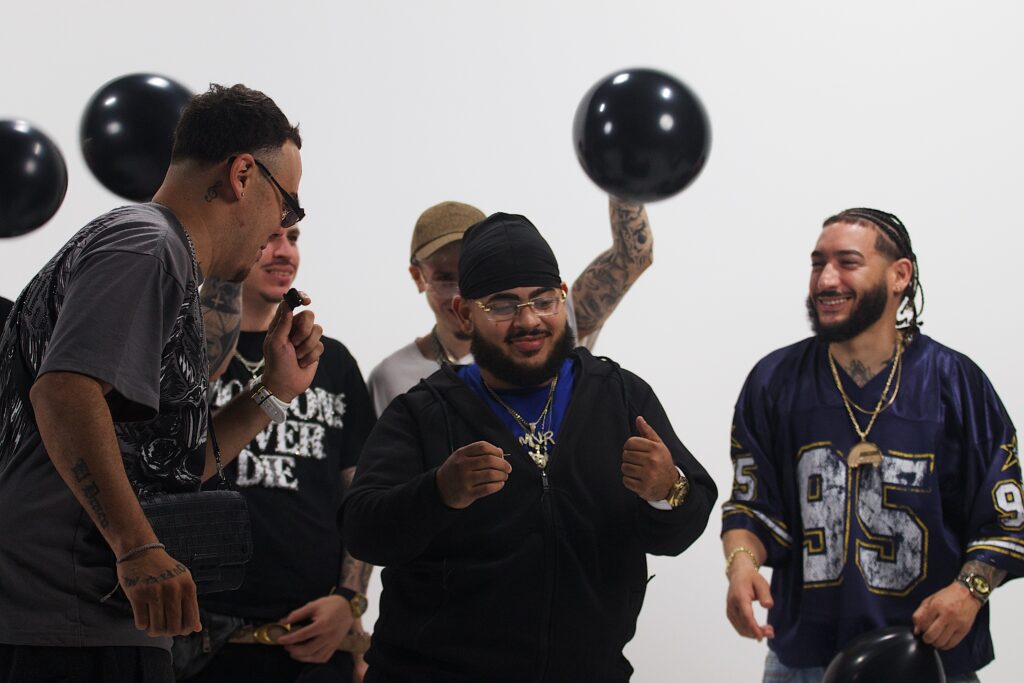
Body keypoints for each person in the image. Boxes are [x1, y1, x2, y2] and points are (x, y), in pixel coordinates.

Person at [0, 83, 325, 683]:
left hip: (89, 621)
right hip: (66, 626)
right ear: (242, 175)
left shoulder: (150, 250)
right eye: (288, 208)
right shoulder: (149, 246)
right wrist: (137, 546)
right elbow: (64, 391)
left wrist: (272, 391)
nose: (279, 230)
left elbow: (163, 464)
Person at [343, 212, 717, 682]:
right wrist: (438, 492)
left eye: (543, 300)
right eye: (502, 305)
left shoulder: (618, 395)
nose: (528, 320)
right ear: (465, 313)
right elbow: (362, 530)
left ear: (562, 296)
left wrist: (668, 488)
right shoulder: (423, 411)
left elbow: (682, 527)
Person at [721, 208, 1022, 681]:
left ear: (900, 275)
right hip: (805, 660)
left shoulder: (955, 382)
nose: (826, 279)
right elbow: (752, 506)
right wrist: (741, 566)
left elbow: (1007, 520)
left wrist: (970, 590)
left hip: (931, 659)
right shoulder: (774, 382)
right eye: (818, 263)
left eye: (847, 262)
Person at [177, 223, 377, 683]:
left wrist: (349, 602)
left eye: (294, 238)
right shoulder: (183, 356)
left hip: (314, 647)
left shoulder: (332, 362)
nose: (285, 252)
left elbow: (360, 494)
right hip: (201, 649)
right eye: (269, 237)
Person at [366, 197, 654, 416]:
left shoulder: (545, 321)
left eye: (475, 276)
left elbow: (633, 256)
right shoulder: (391, 377)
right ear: (418, 276)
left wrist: (619, 168)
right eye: (445, 278)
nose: (461, 292)